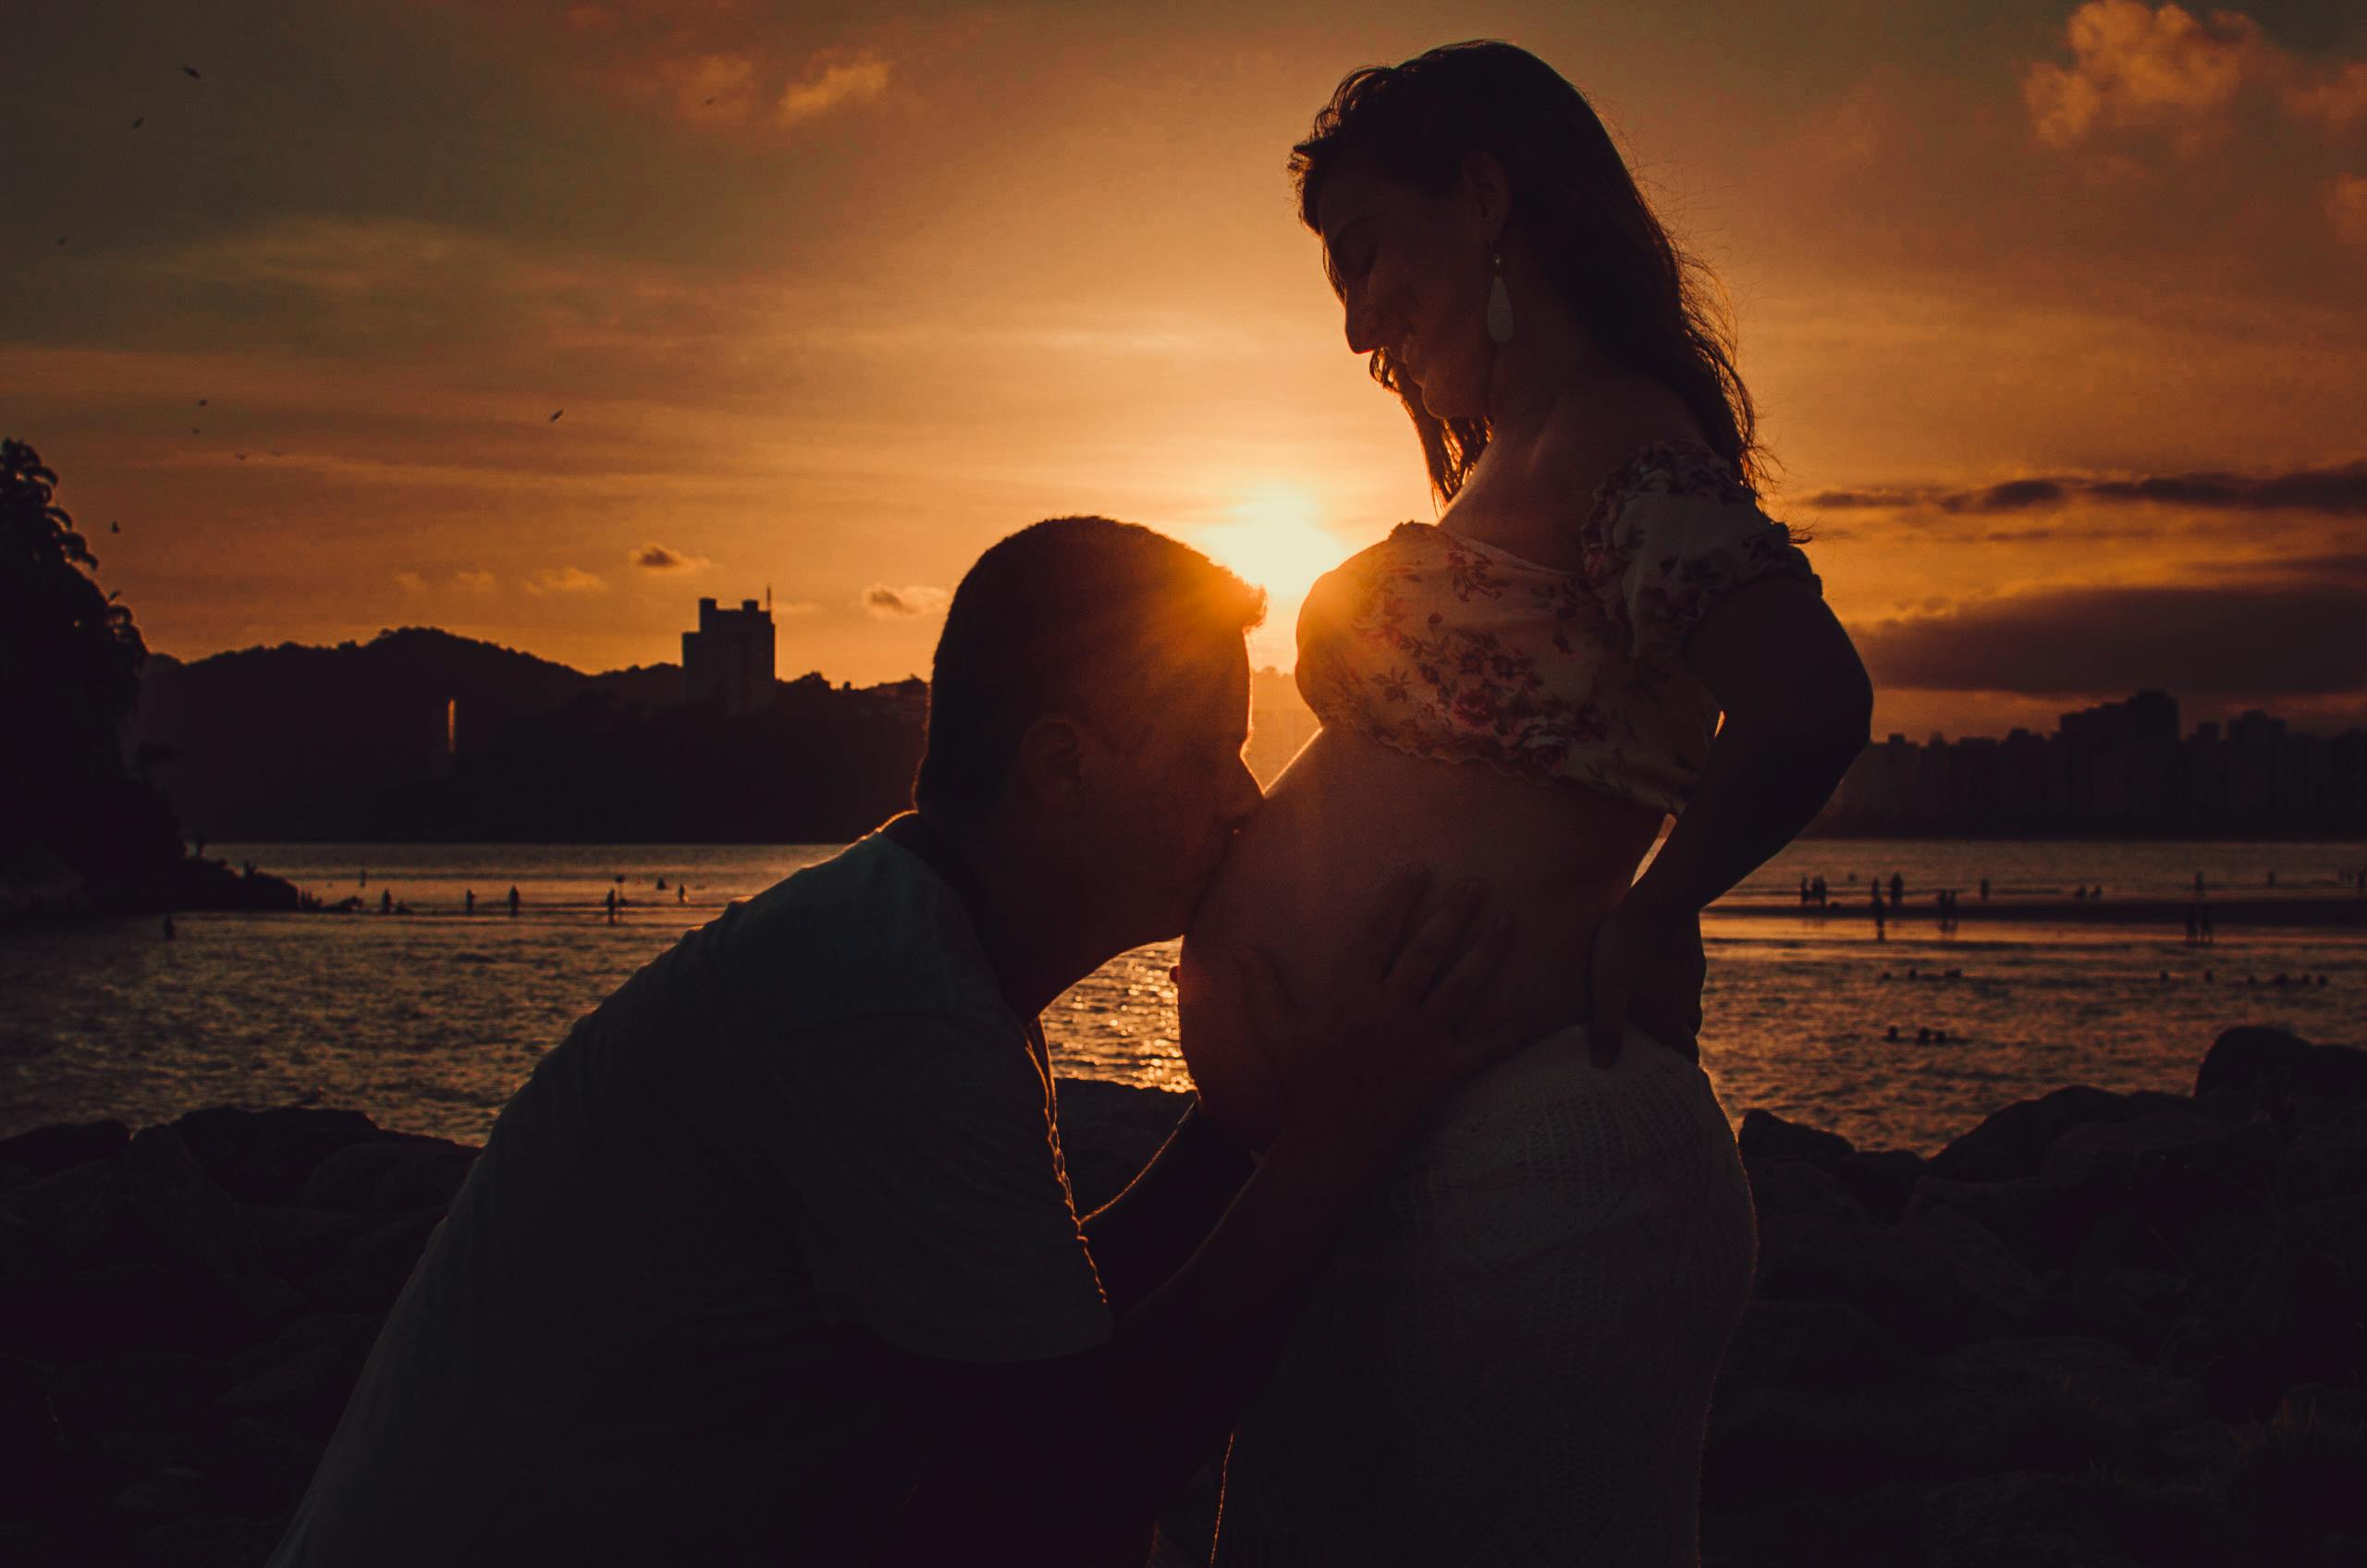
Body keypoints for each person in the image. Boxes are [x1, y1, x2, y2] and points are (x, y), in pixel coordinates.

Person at [265, 518, 1531, 1568]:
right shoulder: (884, 1007)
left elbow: (1035, 1328)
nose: (1245, 802)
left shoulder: (908, 950)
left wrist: (1248, 1127)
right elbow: (1071, 1486)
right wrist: (1342, 1131)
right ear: (1062, 767)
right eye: (1211, 754)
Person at [1176, 42, 1871, 1564]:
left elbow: (1811, 697)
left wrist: (1658, 911)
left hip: (1541, 1176)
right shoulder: (1519, 466)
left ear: (1485, 197)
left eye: (1369, 254)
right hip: (1378, 1166)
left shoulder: (1616, 436)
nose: (1357, 319)